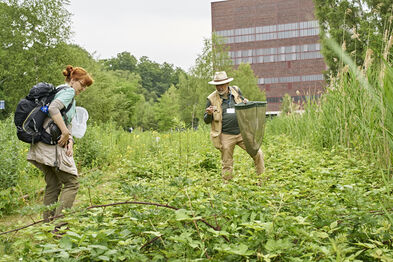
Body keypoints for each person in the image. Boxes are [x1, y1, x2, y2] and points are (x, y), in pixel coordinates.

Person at [27, 65, 93, 222]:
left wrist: (69, 138)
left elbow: (62, 118)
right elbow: (53, 109)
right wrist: (65, 133)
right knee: (72, 183)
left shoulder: (59, 90)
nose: (83, 89)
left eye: (85, 87)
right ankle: (59, 226)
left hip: (41, 143)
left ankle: (46, 226)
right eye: (82, 84)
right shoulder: (68, 91)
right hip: (51, 145)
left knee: (53, 184)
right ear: (73, 80)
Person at [204, 71, 264, 180]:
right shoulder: (211, 99)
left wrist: (246, 103)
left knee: (258, 153)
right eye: (217, 85)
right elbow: (206, 121)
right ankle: (227, 187)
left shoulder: (236, 91)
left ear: (227, 84)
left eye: (222, 85)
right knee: (227, 163)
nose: (220, 87)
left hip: (242, 132)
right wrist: (209, 114)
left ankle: (262, 179)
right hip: (226, 135)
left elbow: (244, 103)